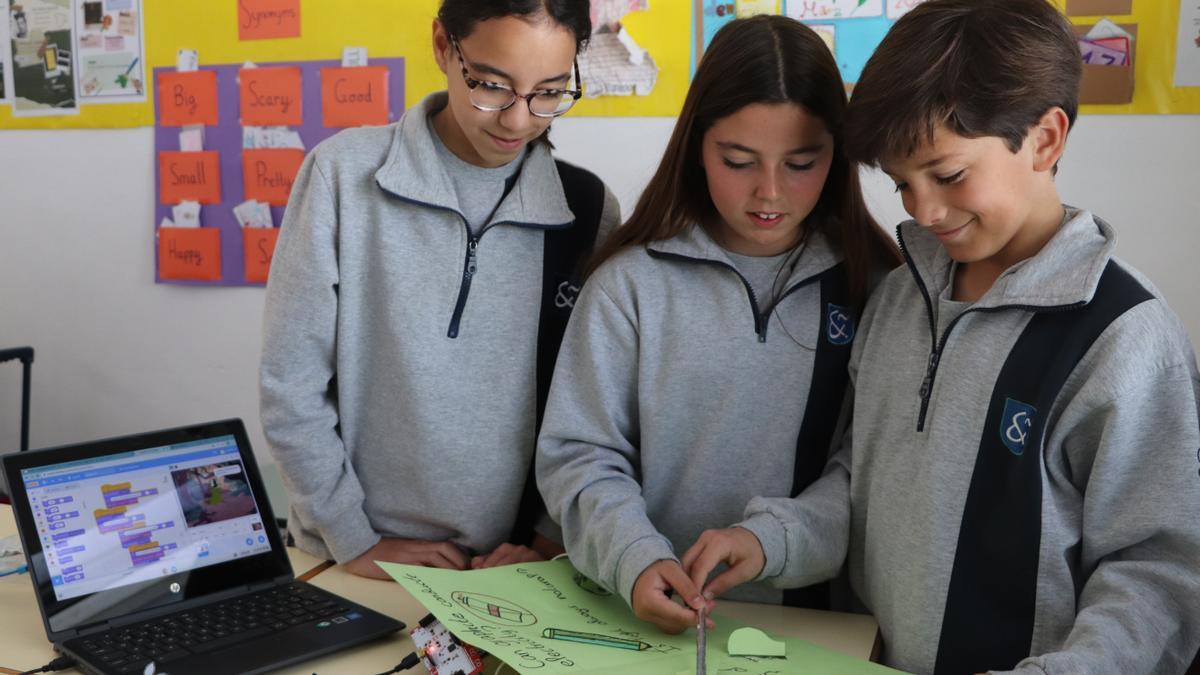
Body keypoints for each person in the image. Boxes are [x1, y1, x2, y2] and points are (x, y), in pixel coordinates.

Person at [682, 1, 1200, 672]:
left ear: (1044, 139)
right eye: (901, 183)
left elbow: (1157, 574)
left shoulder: (1122, 337)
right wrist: (771, 539)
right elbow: (861, 481)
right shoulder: (900, 298)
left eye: (949, 175)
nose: (923, 210)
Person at [535, 14, 900, 634]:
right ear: (698, 147)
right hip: (639, 620)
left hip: (816, 630)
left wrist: (773, 541)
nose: (769, 193)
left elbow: (868, 471)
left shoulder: (878, 289)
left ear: (838, 157)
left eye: (802, 162)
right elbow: (579, 456)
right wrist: (633, 557)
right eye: (738, 160)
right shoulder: (630, 284)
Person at [260, 0, 621, 580]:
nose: (518, 121)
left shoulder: (586, 210)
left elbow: (592, 408)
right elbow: (291, 386)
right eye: (492, 85)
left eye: (549, 92)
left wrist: (548, 540)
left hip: (512, 569)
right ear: (441, 46)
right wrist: (354, 540)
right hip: (350, 557)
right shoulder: (342, 176)